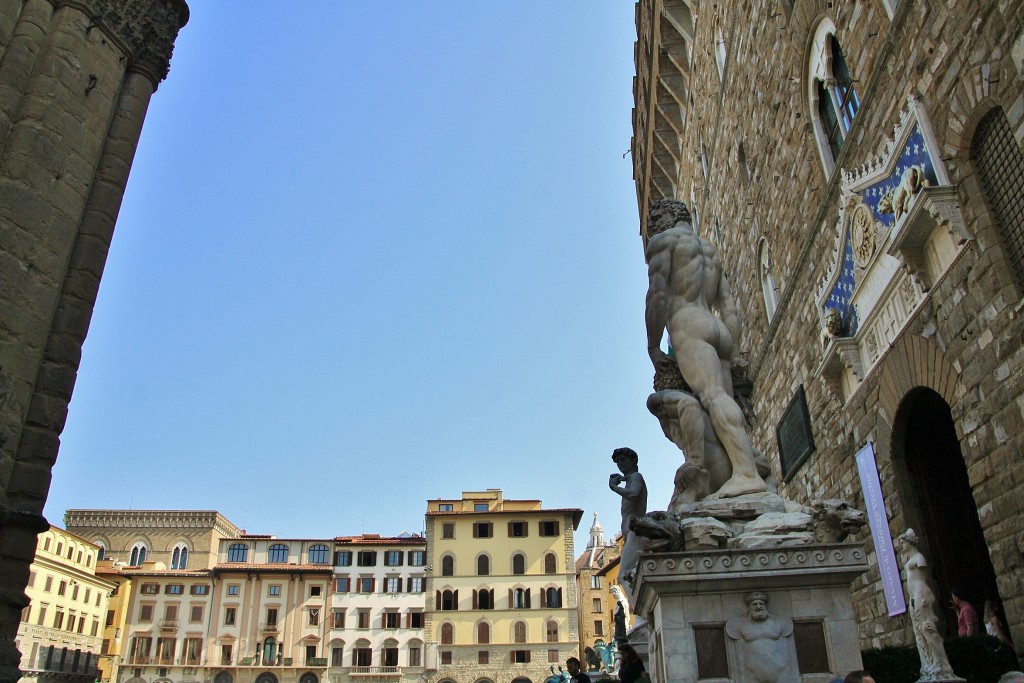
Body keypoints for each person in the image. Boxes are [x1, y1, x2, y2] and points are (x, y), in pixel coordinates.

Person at [644, 199, 767, 499]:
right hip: (717, 328)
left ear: (669, 215)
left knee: (713, 398)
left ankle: (747, 474)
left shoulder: (664, 242)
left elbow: (658, 295)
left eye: (656, 216)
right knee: (722, 402)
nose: (652, 225)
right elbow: (728, 306)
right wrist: (733, 347)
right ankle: (738, 472)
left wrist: (653, 343)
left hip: (689, 325)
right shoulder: (708, 249)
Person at [895, 529, 956, 679]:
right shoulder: (909, 559)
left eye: (903, 542)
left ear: (910, 542)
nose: (901, 545)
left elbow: (923, 577)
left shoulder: (919, 558)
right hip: (914, 596)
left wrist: (920, 598)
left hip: (921, 593)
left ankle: (943, 665)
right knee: (919, 632)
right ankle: (928, 664)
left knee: (928, 628)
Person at [725, 591, 799, 683]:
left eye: (761, 604)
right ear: (749, 607)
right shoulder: (740, 624)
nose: (758, 607)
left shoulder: (779, 622)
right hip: (751, 675)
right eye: (754, 604)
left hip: (780, 673)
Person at [608, 447, 648, 589]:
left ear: (633, 461)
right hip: (629, 535)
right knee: (632, 575)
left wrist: (614, 488)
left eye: (623, 459)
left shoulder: (636, 477)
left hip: (635, 532)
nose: (619, 463)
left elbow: (634, 494)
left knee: (623, 574)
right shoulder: (629, 481)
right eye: (617, 461)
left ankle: (640, 611)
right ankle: (642, 609)